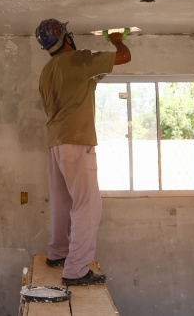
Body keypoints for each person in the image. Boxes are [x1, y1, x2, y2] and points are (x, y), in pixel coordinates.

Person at [35, 19, 131, 286]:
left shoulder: (46, 71)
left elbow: (72, 94)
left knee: (62, 201)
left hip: (55, 142)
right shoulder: (78, 59)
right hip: (77, 140)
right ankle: (75, 270)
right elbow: (125, 57)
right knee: (87, 206)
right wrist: (116, 41)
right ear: (66, 38)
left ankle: (58, 254)